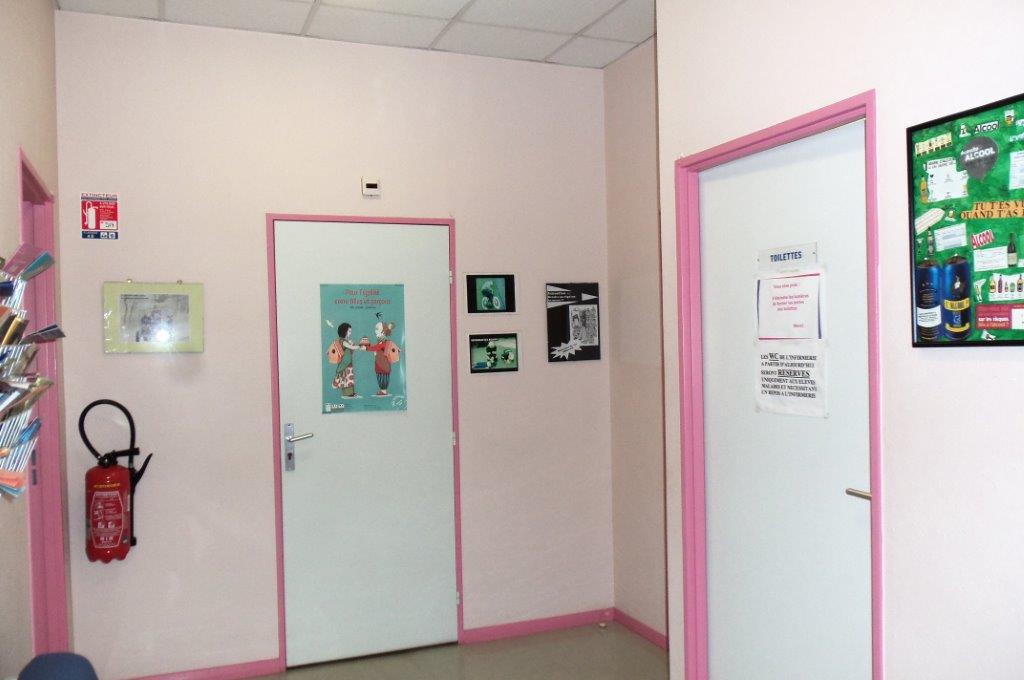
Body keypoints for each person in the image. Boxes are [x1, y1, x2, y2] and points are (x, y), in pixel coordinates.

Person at [364, 314, 401, 396]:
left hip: (383, 365)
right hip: (380, 364)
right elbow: (376, 349)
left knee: (382, 377)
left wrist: (366, 348)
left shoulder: (384, 342)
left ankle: (383, 391)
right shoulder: (380, 341)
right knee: (380, 377)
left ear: (383, 332)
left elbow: (376, 348)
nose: (375, 331)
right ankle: (383, 390)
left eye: (377, 329)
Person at [326, 322, 360, 398]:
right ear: (344, 331)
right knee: (347, 378)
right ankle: (347, 393)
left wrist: (352, 344)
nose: (350, 333)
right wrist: (359, 346)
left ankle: (350, 393)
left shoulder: (344, 341)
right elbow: (351, 348)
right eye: (349, 331)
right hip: (345, 363)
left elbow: (350, 351)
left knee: (348, 378)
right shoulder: (343, 341)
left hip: (348, 362)